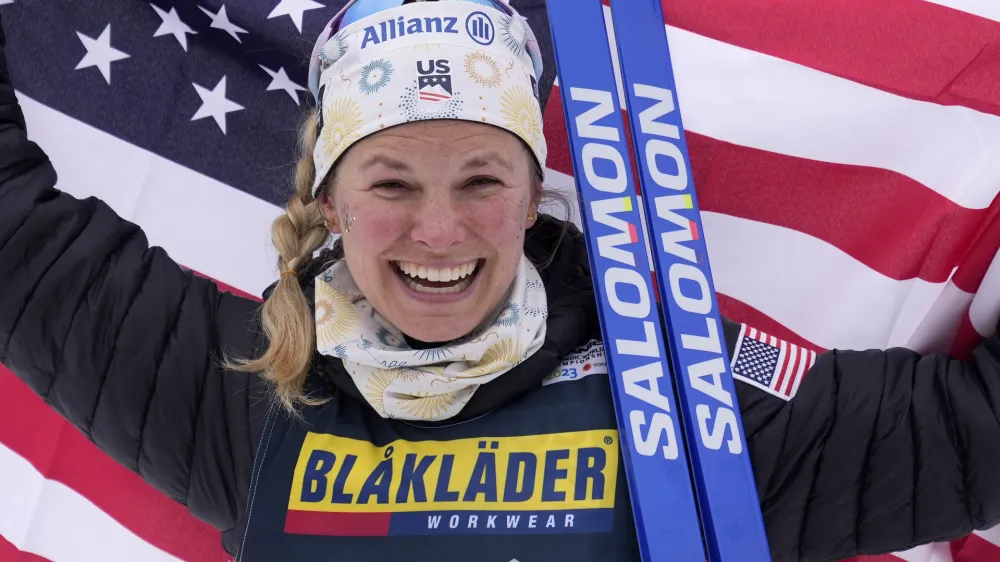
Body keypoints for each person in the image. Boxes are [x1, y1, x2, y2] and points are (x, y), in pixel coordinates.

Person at [1, 1, 999, 560]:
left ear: (531, 196)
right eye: (390, 182)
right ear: (333, 202)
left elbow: (976, 433)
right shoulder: (255, 408)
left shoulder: (686, 418)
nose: (439, 229)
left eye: (480, 179)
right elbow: (18, 251)